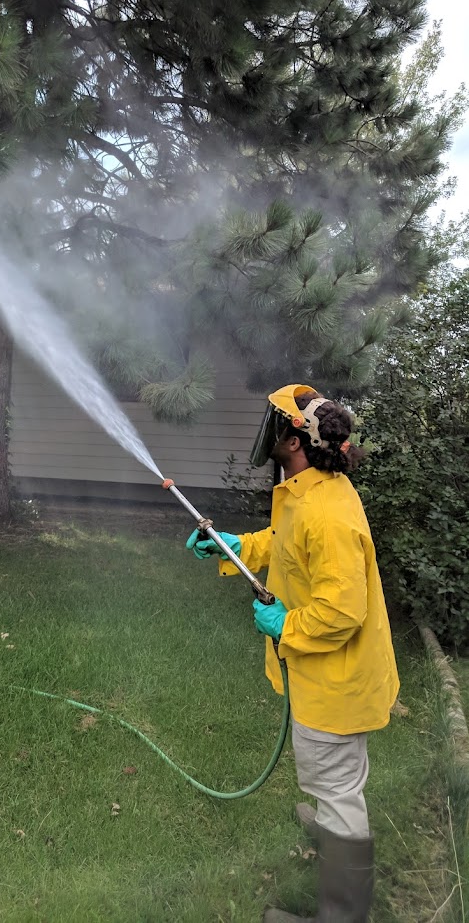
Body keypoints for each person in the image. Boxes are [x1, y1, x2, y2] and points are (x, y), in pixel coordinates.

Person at [186, 384, 399, 923]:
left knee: (338, 787)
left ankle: (342, 911)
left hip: (336, 683)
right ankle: (330, 818)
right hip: (324, 676)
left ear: (295, 440)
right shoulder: (310, 491)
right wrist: (237, 546)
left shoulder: (326, 513)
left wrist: (286, 625)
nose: (269, 434)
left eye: (275, 425)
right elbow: (286, 544)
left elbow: (341, 612)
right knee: (336, 781)